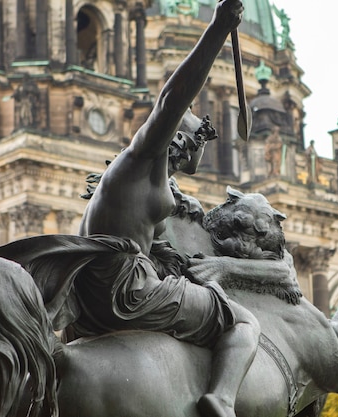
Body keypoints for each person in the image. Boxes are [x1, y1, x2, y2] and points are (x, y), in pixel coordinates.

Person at [76, 2, 257, 416]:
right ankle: (221, 401)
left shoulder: (150, 183)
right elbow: (173, 97)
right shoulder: (143, 156)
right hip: (128, 288)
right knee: (244, 322)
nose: (201, 142)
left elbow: (164, 251)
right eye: (198, 132)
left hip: (93, 288)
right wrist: (217, 29)